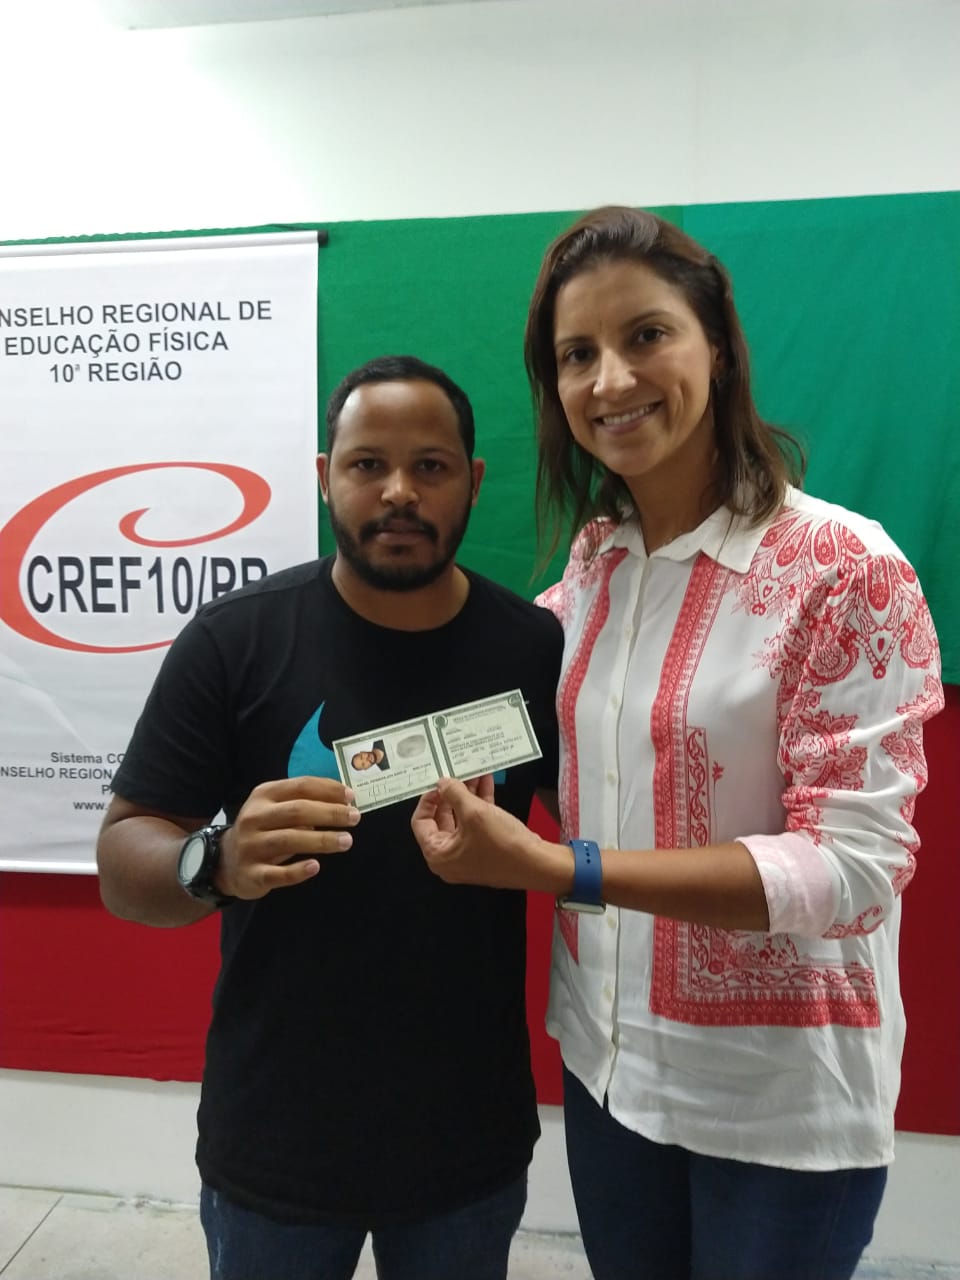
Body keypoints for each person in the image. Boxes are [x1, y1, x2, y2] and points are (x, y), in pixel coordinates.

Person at [411, 208, 945, 1280]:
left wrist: (563, 869)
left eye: (646, 335)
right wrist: (353, 764)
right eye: (577, 355)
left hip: (777, 1100)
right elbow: (523, 732)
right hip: (611, 1069)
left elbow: (854, 867)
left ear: (718, 349)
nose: (611, 380)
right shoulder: (595, 569)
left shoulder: (843, 567)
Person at [96, 354, 563, 1280]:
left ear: (473, 482)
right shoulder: (236, 639)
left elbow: (613, 832)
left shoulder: (534, 647)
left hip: (467, 1137)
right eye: (367, 464)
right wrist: (215, 861)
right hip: (277, 1141)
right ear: (324, 477)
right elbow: (123, 859)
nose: (399, 492)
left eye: (431, 466)